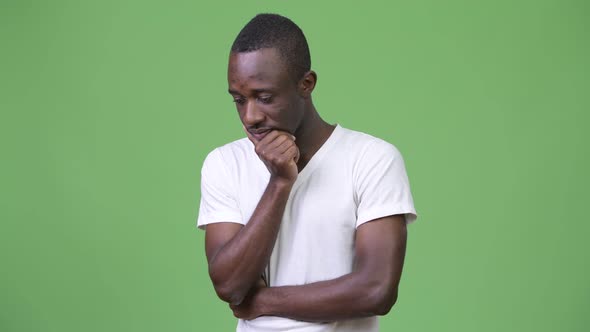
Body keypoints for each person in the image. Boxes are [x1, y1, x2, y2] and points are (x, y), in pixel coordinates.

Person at [197, 13, 418, 332]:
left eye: (265, 97)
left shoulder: (372, 159)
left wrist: (262, 302)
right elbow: (230, 285)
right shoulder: (223, 163)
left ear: (306, 84)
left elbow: (376, 290)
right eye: (238, 100)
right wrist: (280, 183)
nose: (251, 116)